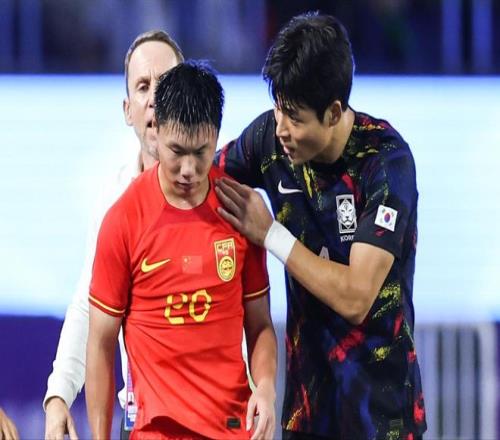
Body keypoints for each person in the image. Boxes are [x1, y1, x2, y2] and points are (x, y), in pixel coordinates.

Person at [214, 12, 427, 440]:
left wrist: (270, 234)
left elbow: (356, 297)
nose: (281, 128)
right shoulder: (268, 141)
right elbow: (201, 180)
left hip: (382, 416)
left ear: (333, 112)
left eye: (294, 117)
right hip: (307, 413)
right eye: (278, 109)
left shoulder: (385, 163)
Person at [86, 61, 277, 440]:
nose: (188, 169)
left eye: (201, 152)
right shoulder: (123, 219)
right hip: (156, 432)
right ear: (155, 130)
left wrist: (267, 387)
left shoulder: (241, 211)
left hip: (231, 430)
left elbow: (260, 325)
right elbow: (101, 343)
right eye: (177, 151)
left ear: (217, 136)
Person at [43, 30, 184, 440]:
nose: (155, 98)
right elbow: (88, 306)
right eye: (143, 87)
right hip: (140, 425)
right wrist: (58, 395)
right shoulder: (114, 200)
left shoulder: (223, 193)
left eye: (166, 83)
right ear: (127, 110)